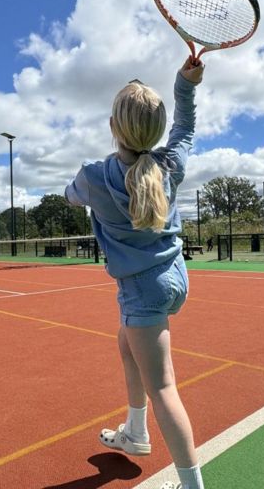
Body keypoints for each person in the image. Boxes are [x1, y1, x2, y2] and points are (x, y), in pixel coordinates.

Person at [65, 57, 206, 489]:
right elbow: (186, 126)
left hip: (142, 291)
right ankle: (135, 432)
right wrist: (185, 84)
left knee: (163, 387)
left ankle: (192, 485)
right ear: (156, 130)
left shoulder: (93, 177)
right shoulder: (170, 166)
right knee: (126, 345)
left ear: (113, 124)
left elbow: (71, 197)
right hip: (175, 278)